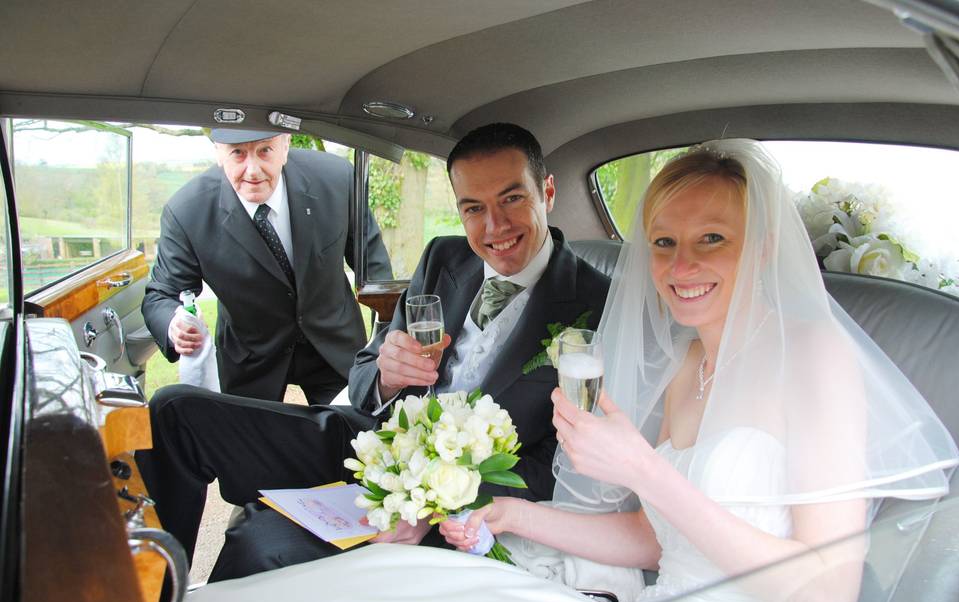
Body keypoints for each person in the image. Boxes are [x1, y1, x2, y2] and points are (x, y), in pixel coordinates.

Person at [436, 140, 959, 602]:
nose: (681, 265)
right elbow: (657, 540)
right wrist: (517, 515)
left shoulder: (813, 357)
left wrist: (644, 470)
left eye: (712, 238)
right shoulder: (689, 365)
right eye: (664, 242)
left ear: (762, 248)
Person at [138, 123, 610, 579]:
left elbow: (567, 465)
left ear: (546, 192)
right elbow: (364, 378)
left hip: (453, 498)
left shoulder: (598, 305)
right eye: (472, 208)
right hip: (372, 443)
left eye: (512, 198)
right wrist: (386, 375)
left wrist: (437, 499)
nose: (494, 227)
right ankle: (153, 595)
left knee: (261, 543)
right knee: (174, 410)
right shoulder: (444, 258)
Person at [141, 128, 392, 404]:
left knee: (353, 440)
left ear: (285, 146)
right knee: (249, 445)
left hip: (335, 345)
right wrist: (173, 324)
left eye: (264, 151)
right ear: (219, 154)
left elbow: (374, 266)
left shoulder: (337, 178)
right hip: (250, 358)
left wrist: (386, 336)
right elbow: (161, 296)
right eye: (238, 153)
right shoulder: (186, 212)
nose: (252, 170)